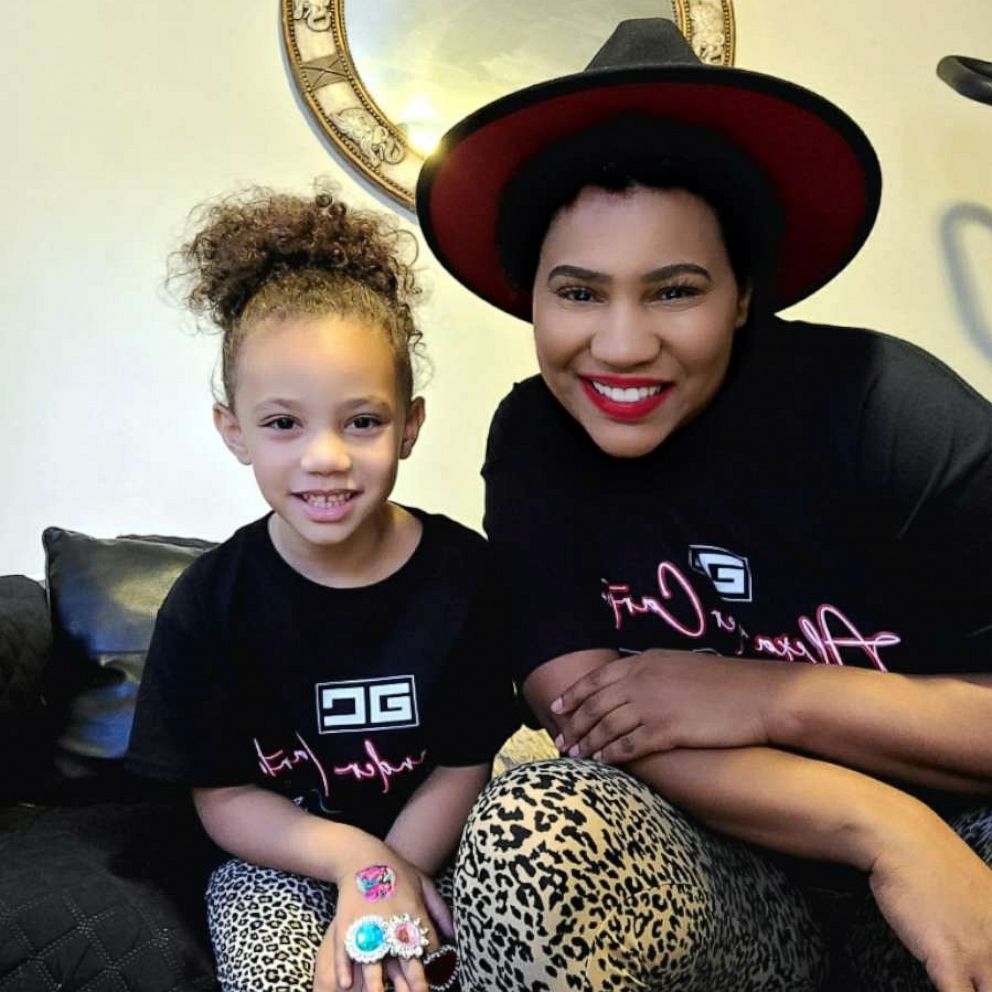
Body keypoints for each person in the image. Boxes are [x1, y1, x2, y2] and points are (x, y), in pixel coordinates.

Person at [415, 18, 992, 992]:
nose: (622, 343)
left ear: (740, 293)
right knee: (530, 822)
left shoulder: (882, 403)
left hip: (969, 833)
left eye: (673, 290)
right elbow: (584, 707)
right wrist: (883, 830)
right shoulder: (533, 440)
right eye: (579, 294)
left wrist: (766, 694)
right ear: (531, 300)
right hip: (722, 856)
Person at [126, 184, 515, 992]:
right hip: (283, 857)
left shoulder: (466, 576)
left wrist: (390, 879)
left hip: (440, 836)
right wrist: (357, 863)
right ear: (233, 431)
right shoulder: (209, 603)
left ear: (409, 423)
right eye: (282, 424)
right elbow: (225, 794)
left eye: (362, 421)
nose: (326, 457)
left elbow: (463, 761)